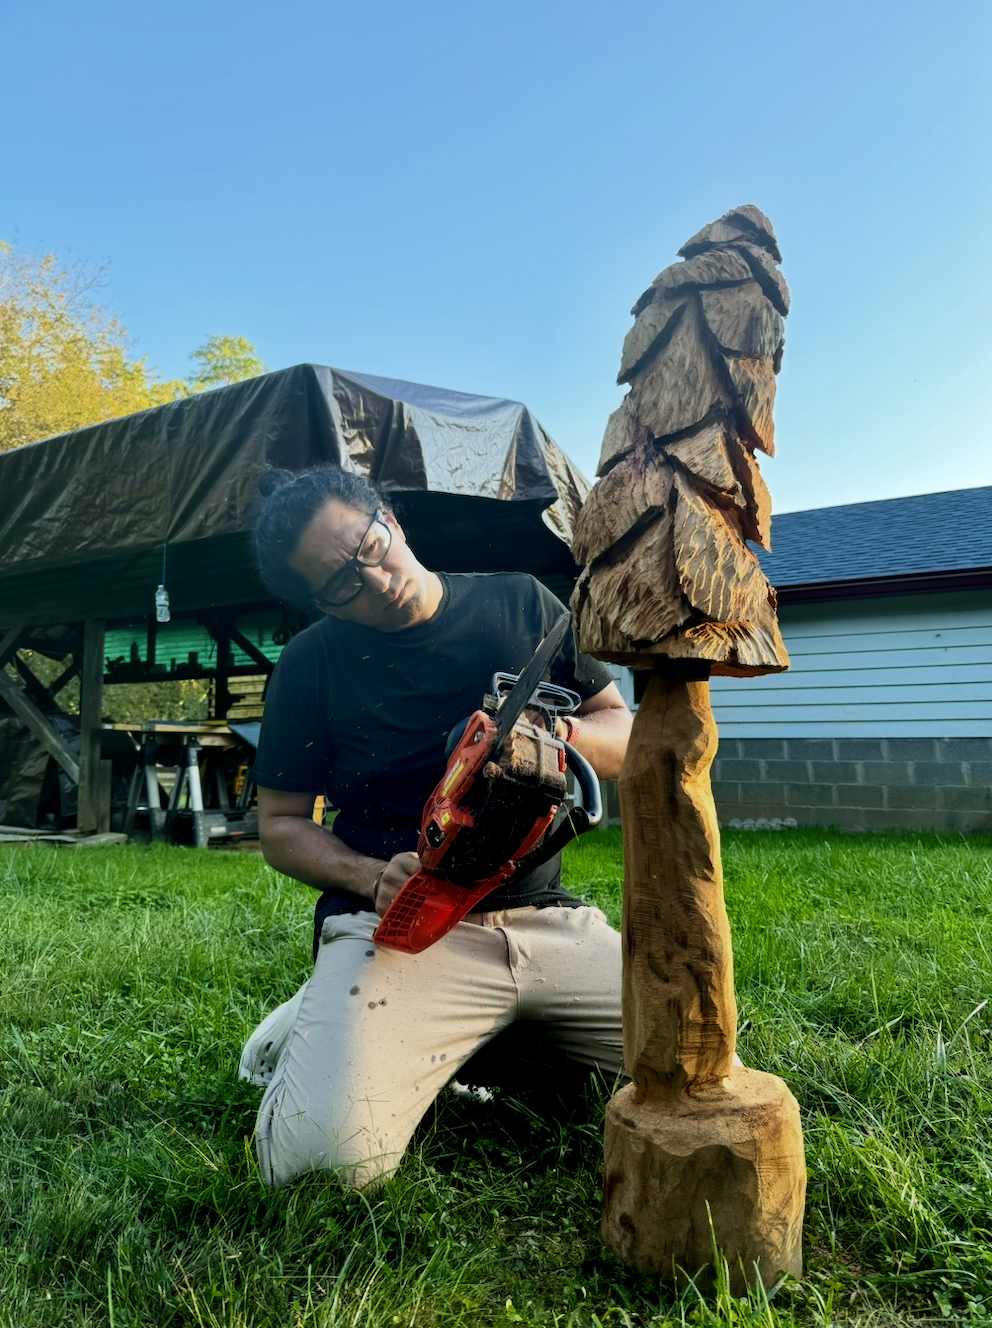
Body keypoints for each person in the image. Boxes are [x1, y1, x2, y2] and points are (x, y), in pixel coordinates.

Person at [240, 465, 632, 1188]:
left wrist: (551, 737)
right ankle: (316, 1027)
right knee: (325, 1166)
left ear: (390, 519)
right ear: (319, 602)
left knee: (695, 1062)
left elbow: (622, 730)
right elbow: (281, 826)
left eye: (370, 548)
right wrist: (370, 877)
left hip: (541, 916)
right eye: (341, 586)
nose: (376, 581)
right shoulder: (310, 664)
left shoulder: (520, 603)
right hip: (397, 930)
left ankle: (465, 1040)